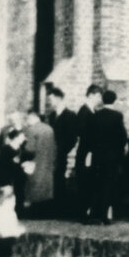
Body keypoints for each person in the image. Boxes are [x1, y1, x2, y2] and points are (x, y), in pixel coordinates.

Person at [84, 89, 127, 224]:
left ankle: (92, 215)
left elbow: (89, 137)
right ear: (114, 100)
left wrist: (92, 152)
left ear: (103, 100)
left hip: (97, 156)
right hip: (112, 157)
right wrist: (119, 153)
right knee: (108, 185)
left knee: (96, 184)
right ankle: (104, 216)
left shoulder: (95, 115)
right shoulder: (117, 116)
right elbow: (122, 137)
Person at [49, 87, 80, 217]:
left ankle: (62, 208)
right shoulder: (52, 115)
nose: (49, 102)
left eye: (51, 99)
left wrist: (62, 149)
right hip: (52, 153)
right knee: (54, 179)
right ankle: (55, 206)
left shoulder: (70, 115)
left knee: (61, 179)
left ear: (58, 98)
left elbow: (72, 137)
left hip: (62, 154)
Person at [74, 85, 103, 221]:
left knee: (88, 182)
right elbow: (83, 133)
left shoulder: (91, 111)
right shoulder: (84, 111)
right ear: (91, 95)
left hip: (88, 152)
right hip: (86, 153)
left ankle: (85, 211)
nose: (99, 99)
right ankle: (82, 213)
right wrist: (89, 152)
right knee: (84, 182)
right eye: (98, 96)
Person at [23, 109, 56, 218]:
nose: (26, 121)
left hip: (35, 163)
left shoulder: (31, 130)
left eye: (27, 119)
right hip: (48, 163)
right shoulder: (49, 129)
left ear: (32, 117)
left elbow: (29, 148)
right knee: (46, 188)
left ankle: (34, 214)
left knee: (34, 187)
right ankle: (46, 213)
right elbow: (54, 147)